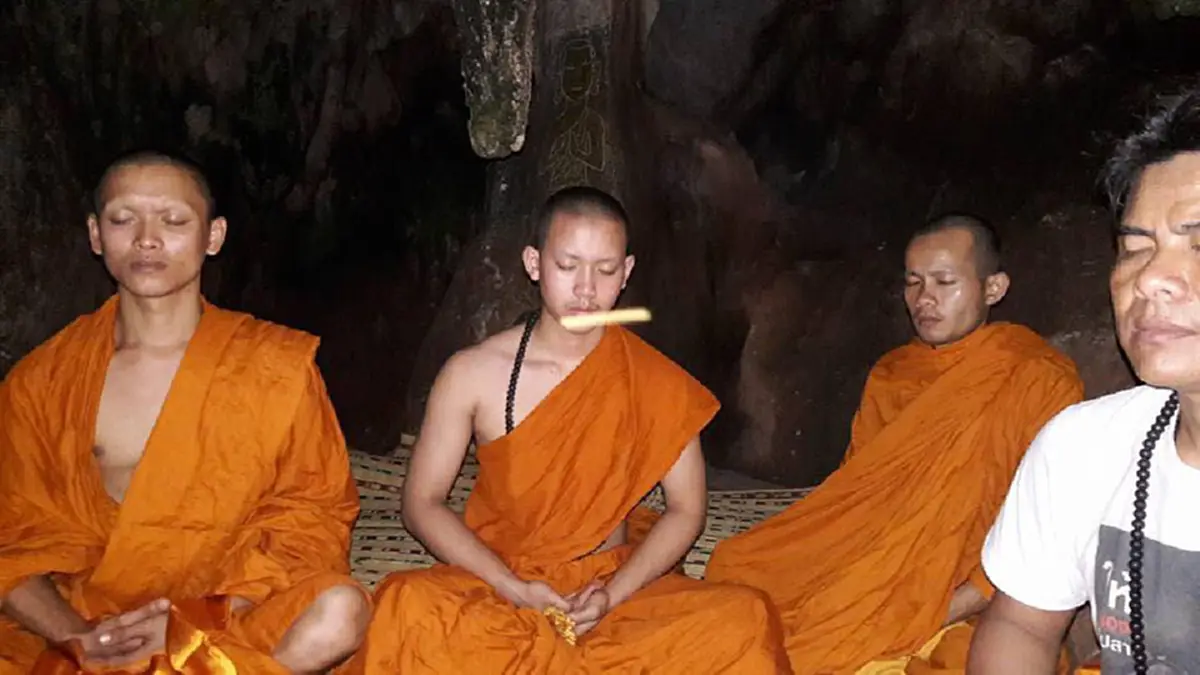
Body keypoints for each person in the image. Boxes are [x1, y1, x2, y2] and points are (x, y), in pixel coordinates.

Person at [346, 186, 791, 674]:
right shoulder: (473, 373)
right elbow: (422, 502)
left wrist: (611, 595)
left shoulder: (653, 379)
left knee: (742, 618)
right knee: (407, 609)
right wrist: (512, 587)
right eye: (568, 266)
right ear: (534, 263)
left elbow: (686, 510)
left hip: (611, 588)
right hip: (501, 581)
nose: (585, 289)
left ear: (626, 273)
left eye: (604, 271)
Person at [0, 150, 369, 674]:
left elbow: (312, 517)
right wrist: (82, 639)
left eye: (174, 221)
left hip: (221, 616)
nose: (147, 239)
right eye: (123, 219)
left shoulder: (271, 365)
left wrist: (205, 614)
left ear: (213, 237)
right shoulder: (45, 380)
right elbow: (11, 540)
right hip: (84, 620)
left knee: (340, 612)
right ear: (95, 234)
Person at [704, 214, 1084, 674]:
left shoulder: (1038, 377)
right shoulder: (893, 373)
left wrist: (948, 605)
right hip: (884, 566)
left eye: (945, 281)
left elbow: (1044, 525)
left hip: (977, 589)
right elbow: (856, 495)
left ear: (993, 288)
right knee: (741, 567)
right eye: (913, 282)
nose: (925, 299)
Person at [969, 87, 1200, 675]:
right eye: (1134, 248)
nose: (1150, 279)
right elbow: (1021, 623)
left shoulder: (1028, 372)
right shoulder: (1083, 446)